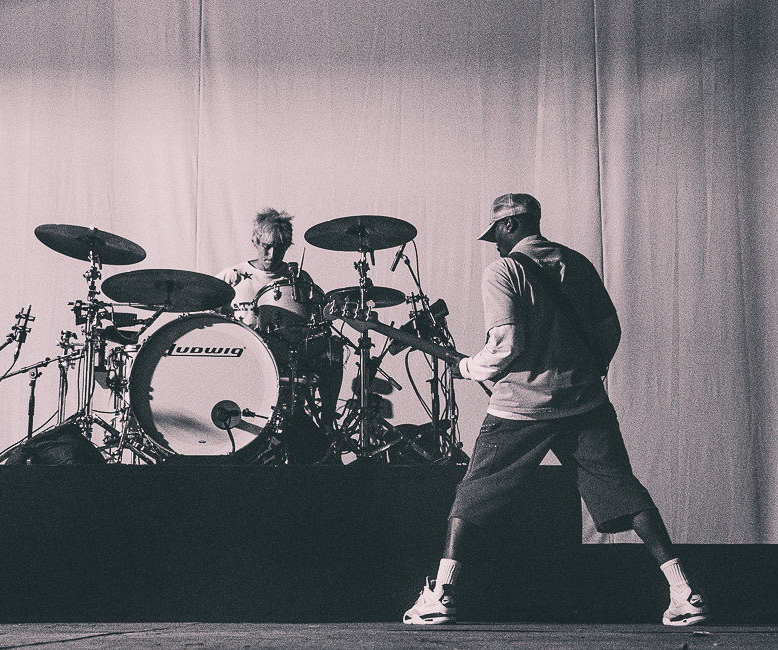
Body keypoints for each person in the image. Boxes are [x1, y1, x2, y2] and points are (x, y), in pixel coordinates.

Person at [403, 193, 709, 626]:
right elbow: (609, 327)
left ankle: (442, 596)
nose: (495, 244)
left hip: (520, 409)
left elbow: (507, 343)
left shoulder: (503, 270)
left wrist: (468, 368)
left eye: (497, 234)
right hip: (584, 402)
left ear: (510, 226)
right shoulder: (577, 263)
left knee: (471, 497)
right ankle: (684, 590)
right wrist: (587, 370)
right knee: (624, 490)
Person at [217, 208, 343, 462]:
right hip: (245, 363)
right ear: (255, 241)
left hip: (291, 358)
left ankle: (327, 421)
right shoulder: (232, 278)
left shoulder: (298, 278)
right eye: (267, 246)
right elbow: (208, 321)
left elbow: (318, 322)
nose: (272, 255)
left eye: (281, 248)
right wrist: (219, 295)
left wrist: (333, 312)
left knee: (334, 346)